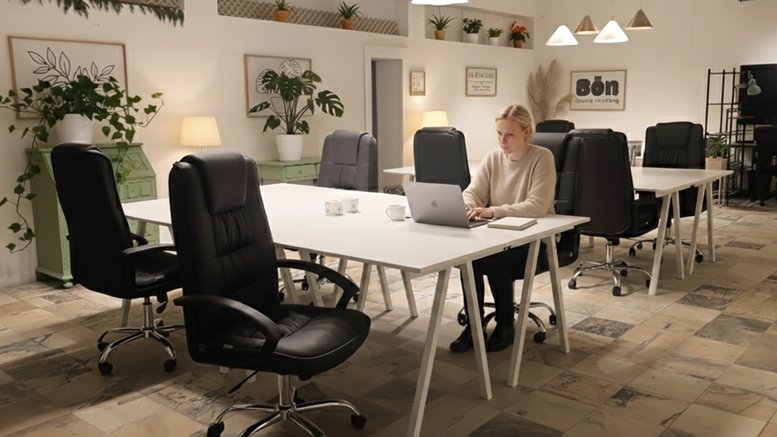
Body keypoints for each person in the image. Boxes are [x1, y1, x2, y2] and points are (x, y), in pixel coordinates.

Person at [449, 104, 557, 353]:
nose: (502, 140)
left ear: (527, 133)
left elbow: (537, 205)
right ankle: (474, 327)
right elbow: (473, 192)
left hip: (534, 238)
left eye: (509, 134)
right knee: (468, 259)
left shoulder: (542, 158)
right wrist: (468, 206)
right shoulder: (493, 157)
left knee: (495, 258)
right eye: (499, 133)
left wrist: (494, 211)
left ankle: (505, 325)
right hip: (498, 232)